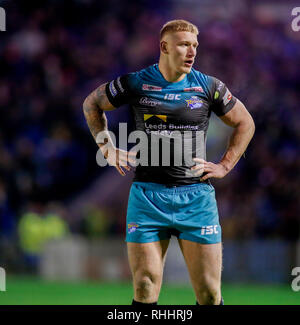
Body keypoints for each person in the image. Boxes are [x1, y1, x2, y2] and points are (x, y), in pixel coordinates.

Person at [83, 19, 255, 305]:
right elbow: (92, 103)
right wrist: (107, 147)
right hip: (148, 197)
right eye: (184, 45)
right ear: (164, 46)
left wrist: (225, 165)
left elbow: (245, 122)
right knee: (145, 284)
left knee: (210, 294)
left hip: (196, 199)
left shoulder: (208, 86)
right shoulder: (137, 82)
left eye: (195, 46)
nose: (192, 52)